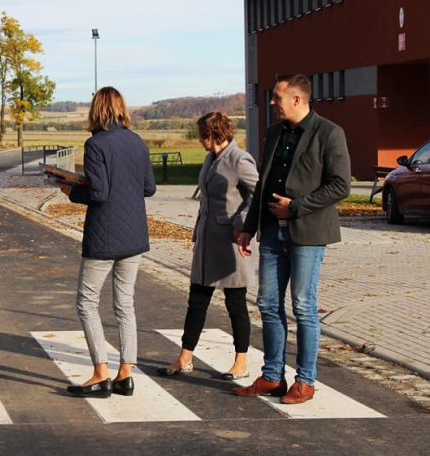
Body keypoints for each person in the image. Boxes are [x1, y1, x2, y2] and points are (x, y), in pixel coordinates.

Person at [233, 73, 351, 404]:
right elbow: (264, 184)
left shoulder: (329, 133)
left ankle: (306, 381)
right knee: (268, 303)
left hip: (308, 233)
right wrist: (248, 226)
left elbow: (340, 185)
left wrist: (296, 207)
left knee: (303, 305)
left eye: (276, 97)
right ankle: (272, 377)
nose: (272, 102)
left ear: (297, 99)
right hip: (271, 232)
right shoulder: (274, 133)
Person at [56, 86, 156, 398]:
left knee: (87, 302)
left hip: (103, 236)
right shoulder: (137, 141)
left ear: (96, 110)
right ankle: (125, 373)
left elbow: (98, 193)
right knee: (124, 303)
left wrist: (71, 189)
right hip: (135, 236)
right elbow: (149, 188)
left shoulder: (95, 144)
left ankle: (100, 372)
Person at [157, 112, 258, 380]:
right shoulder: (210, 158)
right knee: (197, 301)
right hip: (206, 242)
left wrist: (242, 222)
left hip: (231, 242)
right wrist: (196, 237)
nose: (199, 139)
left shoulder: (240, 159)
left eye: (202, 134)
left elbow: (258, 196)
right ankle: (185, 357)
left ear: (213, 134)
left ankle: (241, 362)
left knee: (235, 303)